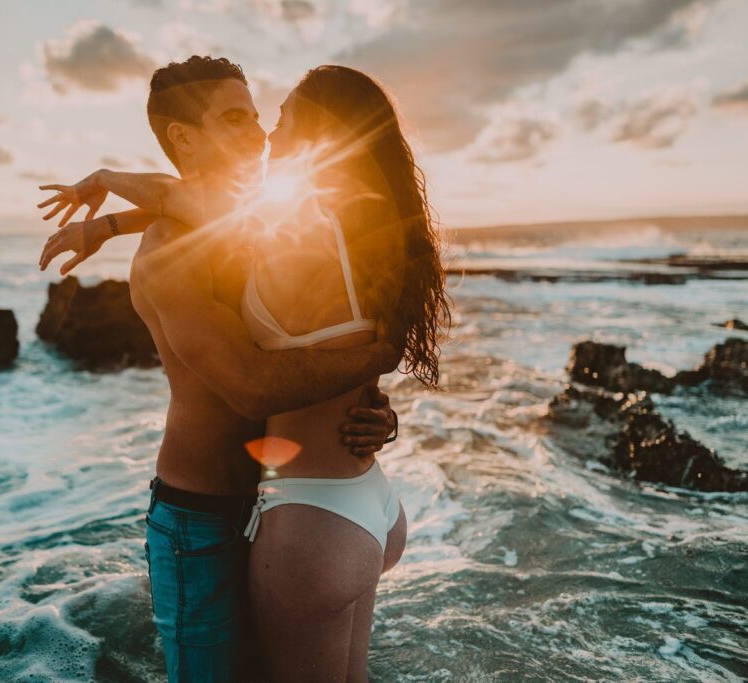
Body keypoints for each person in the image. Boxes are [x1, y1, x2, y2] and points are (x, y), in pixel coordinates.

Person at [43, 63, 450, 681]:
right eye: (240, 119)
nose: (261, 135)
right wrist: (377, 359)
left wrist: (372, 404)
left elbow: (204, 211)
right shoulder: (171, 257)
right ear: (184, 138)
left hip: (288, 507)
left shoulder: (267, 227)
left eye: (264, 117)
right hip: (204, 517)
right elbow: (252, 384)